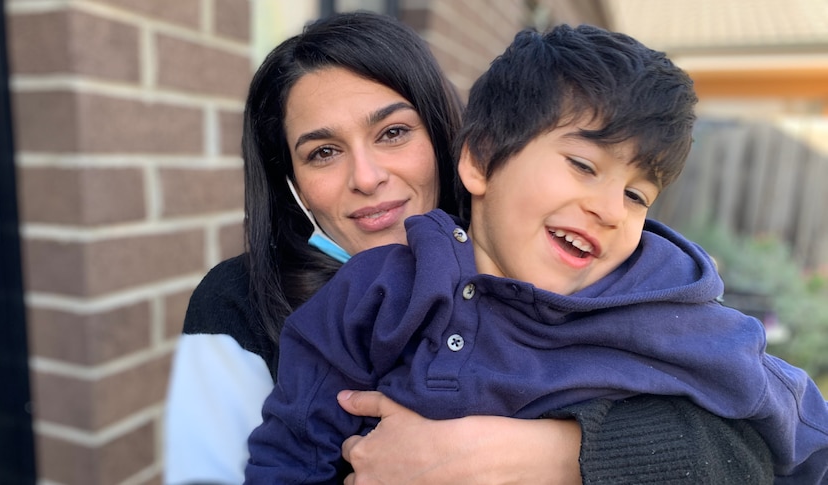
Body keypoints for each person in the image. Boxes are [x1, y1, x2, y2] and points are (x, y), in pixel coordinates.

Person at [165, 12, 774, 485]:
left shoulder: (556, 263)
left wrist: (558, 455)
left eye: (394, 132)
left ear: (454, 143)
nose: (368, 175)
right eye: (323, 152)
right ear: (291, 181)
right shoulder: (237, 304)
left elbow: (754, 447)